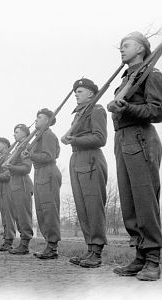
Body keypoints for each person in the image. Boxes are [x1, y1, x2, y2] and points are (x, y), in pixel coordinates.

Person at [107, 32, 162, 281]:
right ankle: (140, 257)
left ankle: (153, 259)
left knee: (145, 200)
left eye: (126, 45)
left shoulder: (151, 74)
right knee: (129, 201)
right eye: (121, 46)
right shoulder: (127, 78)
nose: (121, 49)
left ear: (141, 48)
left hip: (141, 138)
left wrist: (127, 107)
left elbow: (157, 110)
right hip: (123, 139)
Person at [61, 79, 108, 267]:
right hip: (77, 159)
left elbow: (100, 137)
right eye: (76, 92)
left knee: (93, 206)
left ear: (91, 93)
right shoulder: (79, 113)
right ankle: (89, 249)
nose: (76, 94)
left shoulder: (96, 109)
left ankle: (97, 252)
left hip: (91, 160)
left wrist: (75, 139)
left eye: (80, 91)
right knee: (83, 207)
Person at [23, 108, 62, 259]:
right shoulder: (39, 136)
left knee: (49, 210)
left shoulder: (48, 135)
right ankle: (49, 245)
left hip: (48, 172)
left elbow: (49, 156)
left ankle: (52, 248)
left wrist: (30, 155)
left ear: (47, 121)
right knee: (41, 211)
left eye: (39, 117)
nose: (36, 120)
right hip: (40, 173)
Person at [4, 124, 34, 255]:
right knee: (17, 215)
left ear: (24, 134)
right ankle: (22, 242)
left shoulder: (26, 147)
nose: (14, 135)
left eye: (17, 132)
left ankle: (25, 244)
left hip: (22, 184)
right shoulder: (17, 148)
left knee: (23, 215)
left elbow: (27, 168)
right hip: (14, 183)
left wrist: (11, 167)